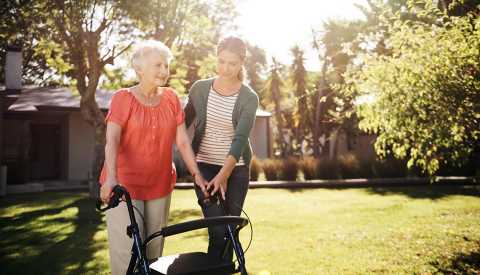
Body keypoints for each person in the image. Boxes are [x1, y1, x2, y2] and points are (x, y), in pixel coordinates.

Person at [99, 40, 208, 275]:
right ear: (140, 70)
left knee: (154, 250)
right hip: (123, 185)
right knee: (127, 251)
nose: (164, 71)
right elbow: (113, 141)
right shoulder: (123, 98)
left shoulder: (171, 98)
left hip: (159, 183)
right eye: (157, 65)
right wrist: (111, 179)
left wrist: (197, 174)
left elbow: (181, 141)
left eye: (166, 65)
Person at [184, 36, 259, 261]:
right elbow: (180, 123)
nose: (226, 68)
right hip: (205, 167)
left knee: (230, 230)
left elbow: (240, 139)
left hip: (237, 171)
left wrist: (224, 174)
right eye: (222, 61)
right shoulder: (200, 89)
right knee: (217, 229)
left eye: (232, 63)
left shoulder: (249, 98)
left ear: (242, 63)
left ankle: (224, 268)